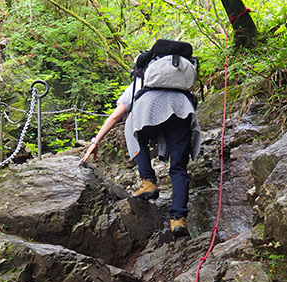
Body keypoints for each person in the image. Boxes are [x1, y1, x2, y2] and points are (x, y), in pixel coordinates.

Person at [81, 48, 200, 239]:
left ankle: (148, 182)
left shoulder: (139, 82)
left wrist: (95, 141)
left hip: (149, 108)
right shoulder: (178, 82)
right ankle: (178, 220)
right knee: (178, 168)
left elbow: (115, 116)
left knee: (133, 128)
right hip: (182, 108)